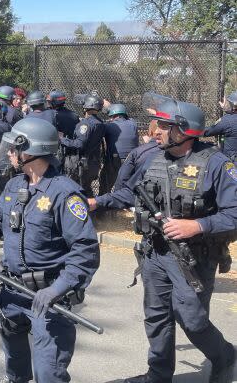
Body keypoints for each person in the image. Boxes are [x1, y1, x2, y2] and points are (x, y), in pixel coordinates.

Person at [89, 95, 237, 383]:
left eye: (163, 126)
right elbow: (129, 192)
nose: (155, 131)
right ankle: (158, 376)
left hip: (193, 256)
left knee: (192, 320)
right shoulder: (154, 158)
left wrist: (197, 226)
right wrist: (97, 202)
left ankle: (224, 356)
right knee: (156, 316)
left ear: (182, 131)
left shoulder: (216, 164)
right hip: (155, 252)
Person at [0, 117, 100, 383]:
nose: (8, 153)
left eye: (13, 148)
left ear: (29, 152)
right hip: (12, 289)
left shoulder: (65, 194)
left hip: (48, 297)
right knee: (15, 358)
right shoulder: (14, 186)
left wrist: (58, 288)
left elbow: (85, 250)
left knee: (48, 372)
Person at [60, 94, 105, 195]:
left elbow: (79, 144)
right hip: (93, 162)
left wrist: (62, 139)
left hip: (83, 164)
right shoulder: (100, 123)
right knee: (86, 188)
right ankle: (91, 208)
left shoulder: (85, 124)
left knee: (78, 189)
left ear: (86, 107)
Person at [100, 103, 139, 194]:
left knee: (105, 182)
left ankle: (103, 203)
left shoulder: (109, 126)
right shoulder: (133, 124)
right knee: (127, 184)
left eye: (111, 116)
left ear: (114, 116)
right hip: (132, 159)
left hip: (114, 159)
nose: (110, 119)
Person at [205, 91, 237, 161]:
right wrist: (227, 109)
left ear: (233, 106)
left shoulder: (227, 121)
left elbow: (208, 132)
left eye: (229, 103)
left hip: (232, 163)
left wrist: (193, 130)